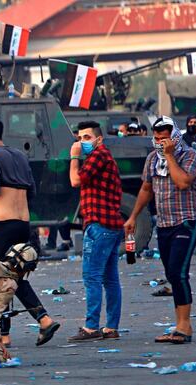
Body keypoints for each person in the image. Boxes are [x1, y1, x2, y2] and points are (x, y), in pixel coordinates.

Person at [0, 116, 60, 347]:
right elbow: (32, 192)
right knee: (14, 277)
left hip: (3, 224)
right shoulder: (20, 155)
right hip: (23, 224)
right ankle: (33, 324)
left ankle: (18, 329)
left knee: (2, 279)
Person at [125, 116, 196, 345]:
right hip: (165, 223)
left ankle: (185, 326)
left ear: (174, 136)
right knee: (171, 274)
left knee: (178, 272)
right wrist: (133, 217)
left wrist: (169, 156)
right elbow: (146, 189)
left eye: (164, 138)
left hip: (186, 221)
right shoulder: (152, 159)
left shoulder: (189, 155)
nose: (160, 143)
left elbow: (182, 183)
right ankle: (179, 324)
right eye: (157, 138)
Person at [67, 121, 124, 342]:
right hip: (110, 225)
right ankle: (111, 327)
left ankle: (91, 327)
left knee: (92, 277)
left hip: (100, 225)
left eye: (87, 138)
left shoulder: (99, 156)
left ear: (99, 139)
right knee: (110, 279)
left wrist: (73, 156)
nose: (82, 143)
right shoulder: (102, 157)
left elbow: (75, 180)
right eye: (80, 138)